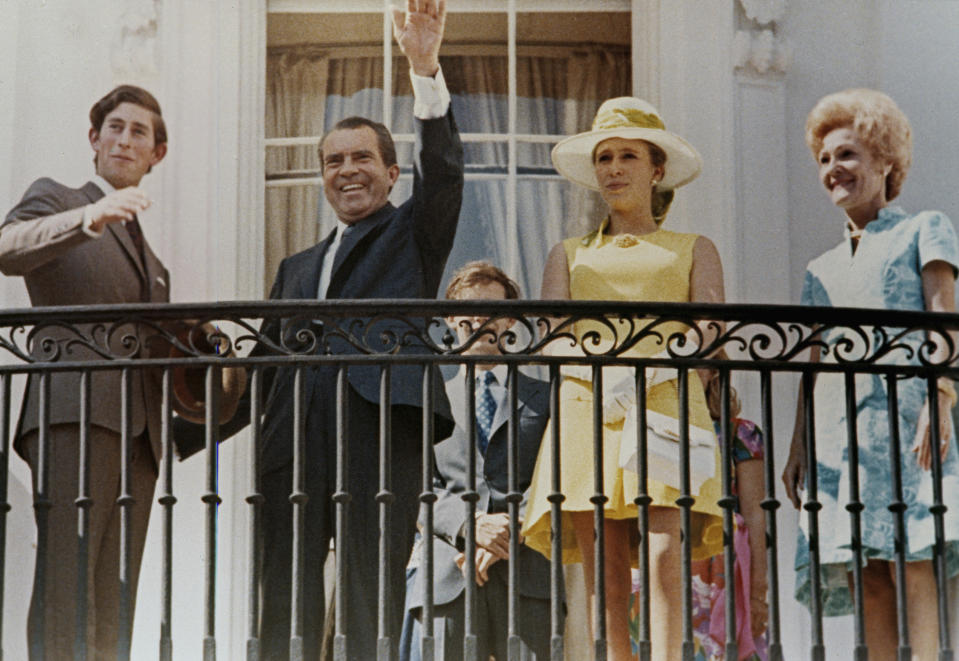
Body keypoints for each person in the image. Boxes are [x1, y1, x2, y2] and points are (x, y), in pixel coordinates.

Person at [176, 2, 463, 659]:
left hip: (376, 429)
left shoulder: (411, 233)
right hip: (292, 439)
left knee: (369, 587)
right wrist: (183, 419)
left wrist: (422, 66)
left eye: (362, 157)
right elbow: (261, 371)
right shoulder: (295, 266)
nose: (346, 169)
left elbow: (444, 174)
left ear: (392, 173)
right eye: (332, 160)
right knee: (283, 590)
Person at [520, 96, 726, 661]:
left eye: (628, 156)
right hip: (590, 407)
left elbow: (710, 327)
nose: (613, 168)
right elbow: (551, 332)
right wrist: (602, 371)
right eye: (605, 157)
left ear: (656, 169)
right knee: (603, 567)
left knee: (664, 556)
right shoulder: (569, 253)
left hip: (666, 401)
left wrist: (653, 366)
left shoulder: (693, 248)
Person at [782, 88, 959, 660]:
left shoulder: (925, 228)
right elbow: (814, 365)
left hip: (909, 425)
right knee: (869, 574)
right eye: (825, 160)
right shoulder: (820, 268)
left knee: (913, 561)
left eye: (848, 155)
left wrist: (942, 399)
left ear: (885, 161)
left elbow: (944, 318)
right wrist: (797, 448)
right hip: (841, 437)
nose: (834, 169)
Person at [0, 85, 171, 660]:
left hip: (141, 438)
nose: (125, 139)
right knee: (67, 581)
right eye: (115, 128)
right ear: (94, 140)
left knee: (115, 596)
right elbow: (7, 247)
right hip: (73, 415)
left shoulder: (156, 263)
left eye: (139, 132)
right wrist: (89, 217)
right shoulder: (59, 198)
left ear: (157, 154)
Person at [401, 261, 557, 660]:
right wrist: (470, 526)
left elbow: (559, 478)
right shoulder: (428, 399)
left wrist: (507, 529)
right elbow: (415, 486)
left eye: (490, 309)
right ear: (452, 320)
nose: (478, 319)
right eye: (467, 310)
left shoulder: (547, 397)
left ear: (508, 320)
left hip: (527, 575)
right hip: (447, 574)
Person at [632, 360, 768, 660]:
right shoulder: (646, 428)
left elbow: (756, 514)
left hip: (720, 564)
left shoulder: (740, 433)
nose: (687, 373)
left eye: (696, 365)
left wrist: (758, 590)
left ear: (714, 373)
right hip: (657, 557)